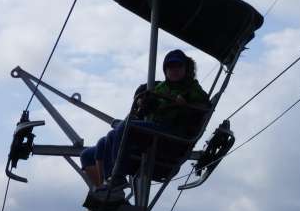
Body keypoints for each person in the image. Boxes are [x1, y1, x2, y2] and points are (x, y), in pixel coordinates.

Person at [80, 49, 210, 190]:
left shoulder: (192, 88)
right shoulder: (161, 87)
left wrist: (186, 105)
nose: (174, 70)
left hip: (171, 134)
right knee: (109, 138)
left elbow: (204, 107)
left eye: (178, 66)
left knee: (126, 127)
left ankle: (117, 178)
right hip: (154, 131)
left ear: (186, 68)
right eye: (170, 67)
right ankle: (109, 187)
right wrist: (143, 104)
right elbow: (148, 105)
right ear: (165, 70)